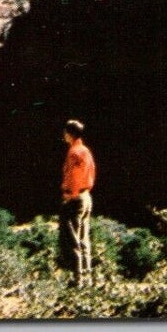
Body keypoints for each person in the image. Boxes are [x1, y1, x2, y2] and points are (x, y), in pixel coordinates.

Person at [59, 119, 96, 286]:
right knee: (83, 239)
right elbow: (91, 172)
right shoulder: (85, 151)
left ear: (70, 134)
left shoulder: (74, 152)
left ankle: (78, 280)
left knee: (72, 240)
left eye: (66, 132)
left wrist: (70, 194)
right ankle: (87, 277)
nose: (64, 135)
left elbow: (73, 175)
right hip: (86, 196)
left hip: (75, 198)